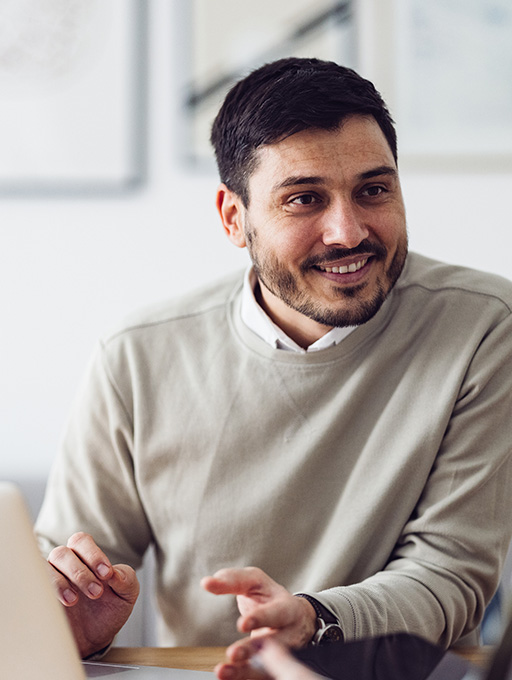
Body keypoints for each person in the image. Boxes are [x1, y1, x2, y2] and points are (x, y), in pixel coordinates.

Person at [35, 57, 512, 674]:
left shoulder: (483, 327)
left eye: (373, 190)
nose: (347, 231)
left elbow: (450, 572)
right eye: (304, 199)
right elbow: (66, 571)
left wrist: (317, 622)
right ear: (235, 218)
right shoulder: (136, 355)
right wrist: (74, 616)